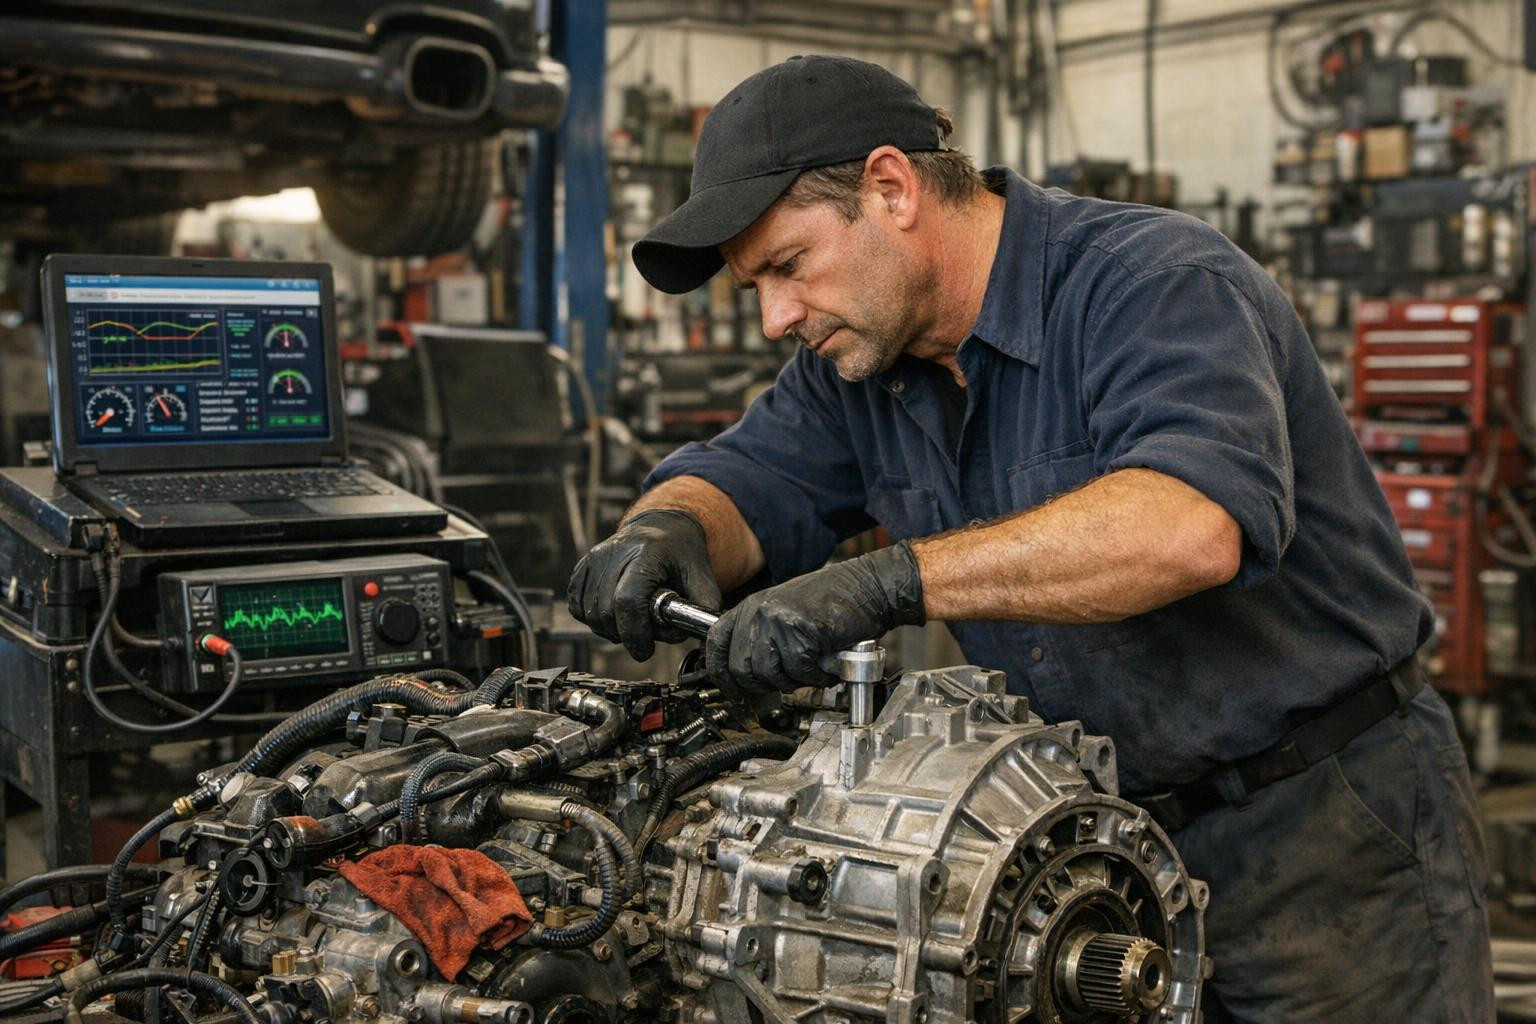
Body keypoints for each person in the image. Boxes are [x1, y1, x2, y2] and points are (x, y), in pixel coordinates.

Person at [568, 54, 1493, 1022]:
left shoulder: (1153, 283)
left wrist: (890, 582)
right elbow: (745, 481)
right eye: (753, 285)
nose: (775, 317)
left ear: (891, 189)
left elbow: (1187, 527)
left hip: (1325, 832)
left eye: (788, 266)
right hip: (1101, 850)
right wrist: (669, 525)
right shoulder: (860, 365)